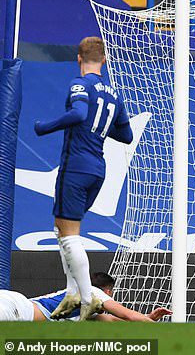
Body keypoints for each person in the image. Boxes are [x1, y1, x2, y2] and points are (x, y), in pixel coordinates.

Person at [33, 37, 133, 321]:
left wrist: (44, 127)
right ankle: (72, 291)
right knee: (62, 229)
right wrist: (98, 126)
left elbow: (77, 113)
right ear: (104, 60)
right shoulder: (114, 94)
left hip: (76, 165)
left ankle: (87, 298)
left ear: (79, 58)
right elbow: (125, 135)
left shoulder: (80, 84)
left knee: (70, 234)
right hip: (98, 169)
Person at [0, 272, 171, 322]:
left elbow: (113, 321)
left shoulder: (87, 310)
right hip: (16, 309)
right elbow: (127, 315)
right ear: (108, 292)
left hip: (15, 306)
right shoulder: (93, 293)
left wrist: (147, 318)